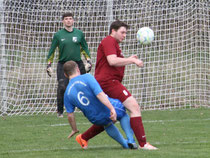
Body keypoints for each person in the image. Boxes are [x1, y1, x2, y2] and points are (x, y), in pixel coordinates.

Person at [78, 20, 158, 150]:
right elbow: (112, 61)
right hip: (108, 82)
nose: (124, 35)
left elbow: (115, 60)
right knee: (134, 107)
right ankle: (143, 144)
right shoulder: (109, 41)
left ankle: (83, 137)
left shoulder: (114, 44)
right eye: (122, 32)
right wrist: (132, 60)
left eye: (126, 33)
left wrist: (129, 58)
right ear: (113, 31)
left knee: (111, 116)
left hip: (107, 82)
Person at [63, 61, 137, 149]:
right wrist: (111, 108)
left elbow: (70, 115)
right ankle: (131, 140)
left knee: (107, 124)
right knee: (123, 112)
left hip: (94, 119)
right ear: (78, 69)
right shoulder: (87, 77)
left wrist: (74, 129)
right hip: (105, 109)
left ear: (65, 75)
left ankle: (125, 145)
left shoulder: (67, 93)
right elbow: (100, 94)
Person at [46, 12, 92, 117]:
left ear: (73, 21)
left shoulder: (79, 34)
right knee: (62, 87)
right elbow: (52, 51)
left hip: (77, 64)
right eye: (66, 19)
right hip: (63, 64)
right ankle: (60, 111)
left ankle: (87, 109)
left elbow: (85, 48)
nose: (68, 20)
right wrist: (49, 65)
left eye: (70, 18)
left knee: (83, 86)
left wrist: (88, 61)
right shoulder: (58, 35)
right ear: (63, 21)